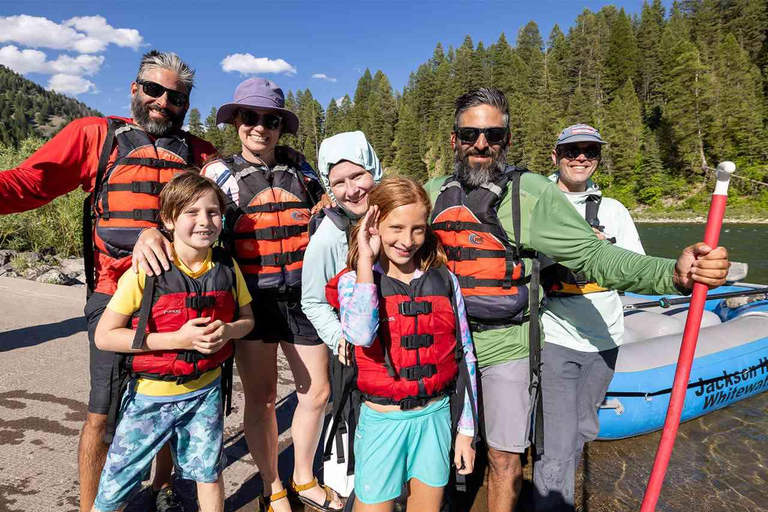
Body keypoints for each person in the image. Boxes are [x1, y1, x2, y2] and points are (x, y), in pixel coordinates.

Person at [424, 88, 730, 512]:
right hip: (443, 345)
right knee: (435, 451)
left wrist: (673, 275)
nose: (481, 144)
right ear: (454, 139)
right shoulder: (432, 191)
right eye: (470, 134)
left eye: (493, 135)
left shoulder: (531, 194)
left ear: (506, 140)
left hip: (505, 347)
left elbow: (594, 255)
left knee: (504, 457)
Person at [0, 50, 217, 512]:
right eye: (154, 90)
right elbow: (30, 182)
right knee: (102, 414)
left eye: (176, 97)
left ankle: (162, 487)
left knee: (173, 400)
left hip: (181, 298)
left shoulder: (201, 155)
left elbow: (231, 206)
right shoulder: (96, 136)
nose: (163, 102)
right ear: (135, 89)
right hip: (114, 294)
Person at [200, 77, 342, 512]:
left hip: (304, 296)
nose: (260, 127)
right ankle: (272, 485)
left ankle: (304, 477)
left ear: (281, 127)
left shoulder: (302, 169)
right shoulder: (217, 174)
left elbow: (332, 208)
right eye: (250, 117)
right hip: (251, 300)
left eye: (271, 120)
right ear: (236, 121)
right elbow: (192, 222)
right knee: (262, 399)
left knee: (316, 392)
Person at [91, 172, 254, 512]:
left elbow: (247, 321)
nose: (204, 221)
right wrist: (178, 339)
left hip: (205, 393)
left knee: (208, 475)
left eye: (212, 212)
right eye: (192, 212)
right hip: (149, 398)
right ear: (168, 219)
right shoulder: (144, 271)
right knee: (115, 487)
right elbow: (104, 336)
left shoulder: (227, 266)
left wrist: (227, 331)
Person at [328, 176, 478, 512]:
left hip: (435, 418)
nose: (407, 241)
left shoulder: (444, 280)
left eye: (417, 230)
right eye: (396, 228)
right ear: (375, 224)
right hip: (381, 421)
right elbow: (361, 334)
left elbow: (466, 354)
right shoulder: (355, 281)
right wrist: (365, 261)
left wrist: (467, 430)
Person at [534, 124, 645, 511]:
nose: (581, 157)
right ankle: (553, 503)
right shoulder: (538, 206)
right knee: (557, 441)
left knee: (582, 428)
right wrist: (568, 252)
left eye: (590, 151)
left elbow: (634, 269)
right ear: (556, 156)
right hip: (556, 337)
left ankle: (558, 495)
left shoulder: (614, 211)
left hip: (605, 339)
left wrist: (603, 254)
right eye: (572, 150)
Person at [302, 130, 383, 358]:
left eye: (357, 176)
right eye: (339, 183)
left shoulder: (398, 216)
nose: (351, 191)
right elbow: (313, 301)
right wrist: (339, 338)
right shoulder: (327, 236)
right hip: (359, 353)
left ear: (373, 171)